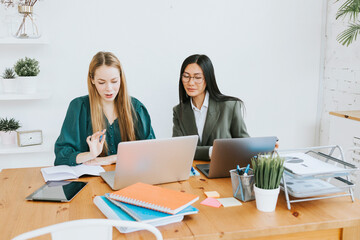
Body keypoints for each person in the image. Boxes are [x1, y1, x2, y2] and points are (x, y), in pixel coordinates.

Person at [55, 51, 155, 166]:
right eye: (102, 82)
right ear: (92, 80)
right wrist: (91, 155)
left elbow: (151, 152)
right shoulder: (79, 107)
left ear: (121, 79)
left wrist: (110, 159)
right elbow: (61, 158)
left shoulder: (136, 108)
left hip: (128, 180)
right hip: (91, 182)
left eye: (114, 81)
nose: (109, 89)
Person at [172, 54, 249, 160]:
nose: (190, 82)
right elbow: (178, 149)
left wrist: (267, 148)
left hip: (223, 172)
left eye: (197, 77)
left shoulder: (230, 106)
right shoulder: (178, 111)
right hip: (193, 174)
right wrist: (211, 151)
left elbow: (245, 145)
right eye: (186, 76)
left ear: (208, 79)